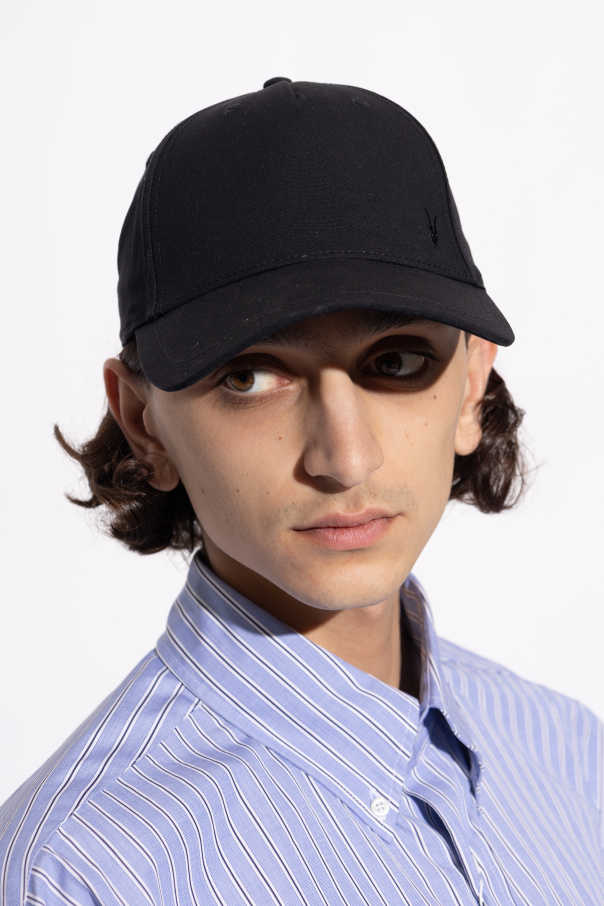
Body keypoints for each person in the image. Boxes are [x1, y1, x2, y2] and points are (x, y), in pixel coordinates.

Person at [1, 77, 602, 906]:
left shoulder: (571, 757)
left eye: (396, 361)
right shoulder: (80, 874)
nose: (343, 459)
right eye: (250, 377)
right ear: (143, 422)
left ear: (470, 386)